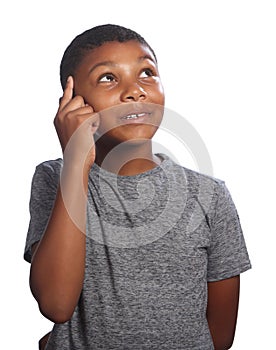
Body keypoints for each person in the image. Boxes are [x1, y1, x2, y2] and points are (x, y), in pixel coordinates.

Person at [24, 24, 251, 350]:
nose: (135, 91)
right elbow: (56, 304)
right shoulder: (54, 177)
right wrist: (75, 161)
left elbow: (220, 335)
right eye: (108, 77)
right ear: (73, 100)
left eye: (146, 73)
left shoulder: (210, 196)